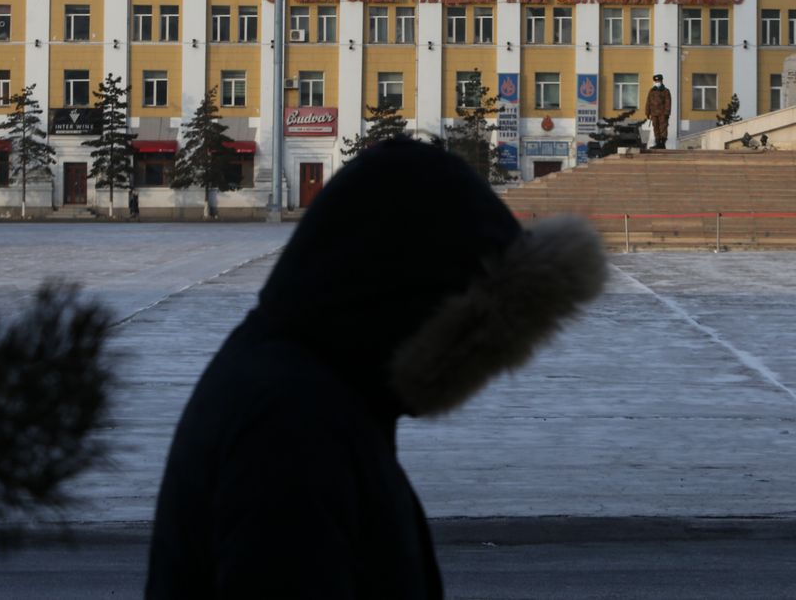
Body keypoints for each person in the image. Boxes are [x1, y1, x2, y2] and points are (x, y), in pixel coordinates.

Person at [145, 139, 607, 599]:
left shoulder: (318, 381)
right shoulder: (293, 424)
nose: (481, 372)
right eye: (476, 340)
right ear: (415, 305)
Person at [644, 74, 672, 150]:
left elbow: (668, 102)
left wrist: (667, 112)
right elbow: (648, 102)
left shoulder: (665, 91)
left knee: (663, 128)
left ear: (662, 80)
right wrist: (647, 112)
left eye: (658, 80)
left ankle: (662, 143)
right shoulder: (652, 90)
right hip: (653, 113)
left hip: (662, 113)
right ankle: (657, 143)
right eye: (656, 81)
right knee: (655, 128)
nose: (657, 82)